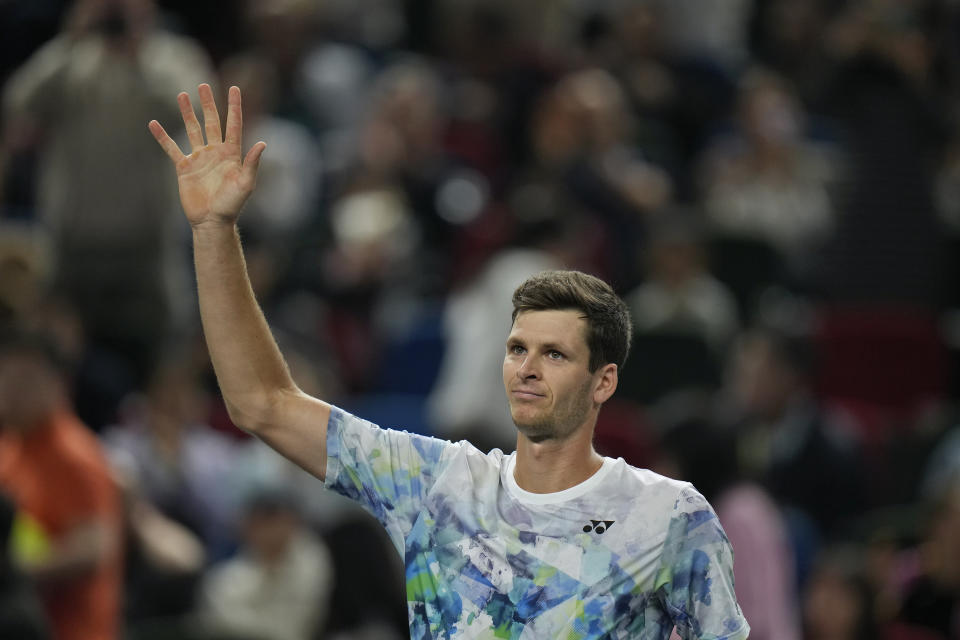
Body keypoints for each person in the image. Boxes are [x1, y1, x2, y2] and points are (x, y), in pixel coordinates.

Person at [148, 84, 749, 638]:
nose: (527, 368)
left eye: (555, 354)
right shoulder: (435, 485)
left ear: (603, 381)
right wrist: (213, 229)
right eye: (517, 349)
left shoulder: (670, 516)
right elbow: (262, 404)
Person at [0, 335, 123, 640]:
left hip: (70, 631)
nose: (11, 393)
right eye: (6, 379)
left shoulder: (76, 455)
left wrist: (14, 571)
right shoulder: (10, 448)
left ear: (59, 385)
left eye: (25, 382)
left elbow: (93, 548)